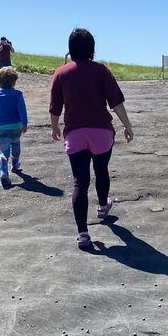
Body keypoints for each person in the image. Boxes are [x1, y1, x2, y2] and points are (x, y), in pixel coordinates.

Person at [49, 28, 134, 248]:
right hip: (101, 133)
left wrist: (55, 127)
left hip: (75, 134)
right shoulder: (102, 71)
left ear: (70, 48)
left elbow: (55, 107)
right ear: (92, 49)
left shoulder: (61, 73)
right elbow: (116, 102)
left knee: (80, 181)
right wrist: (127, 126)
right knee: (101, 170)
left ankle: (83, 234)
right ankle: (103, 208)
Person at [0, 66, 28, 189]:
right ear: (14, 81)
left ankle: (3, 172)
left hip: (1, 126)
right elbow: (22, 109)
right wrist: (25, 123)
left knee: (4, 151)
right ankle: (15, 165)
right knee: (16, 144)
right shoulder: (17, 94)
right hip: (16, 126)